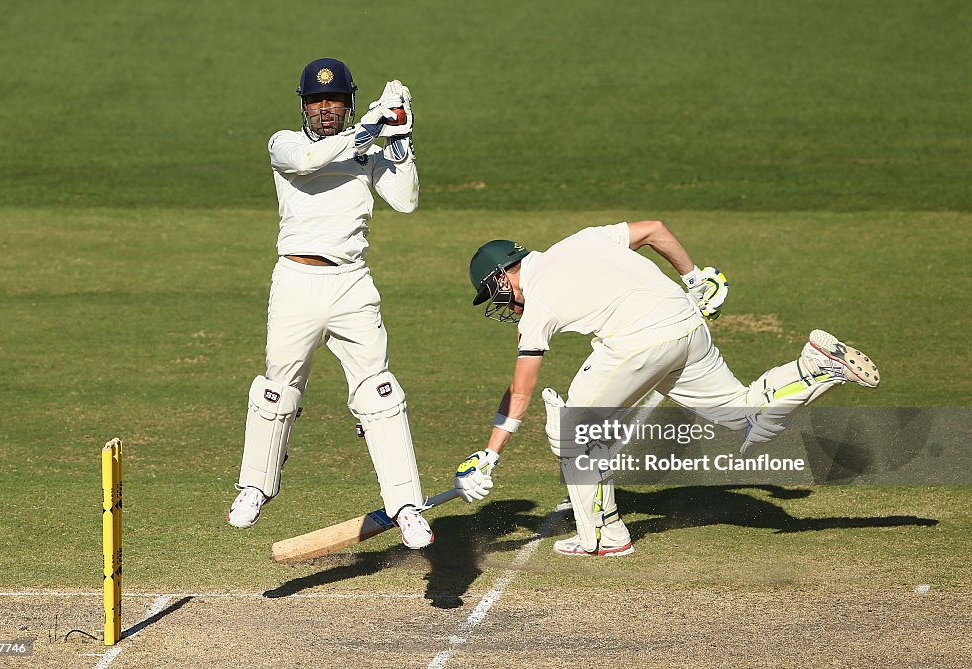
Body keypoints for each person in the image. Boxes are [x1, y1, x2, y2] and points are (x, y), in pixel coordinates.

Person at [452, 220, 879, 556]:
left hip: (640, 342)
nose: (501, 304)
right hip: (687, 321)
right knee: (743, 413)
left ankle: (603, 536)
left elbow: (521, 391)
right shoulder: (584, 239)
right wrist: (694, 278)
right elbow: (655, 228)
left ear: (503, 276)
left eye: (494, 293)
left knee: (570, 433)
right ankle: (813, 369)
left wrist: (489, 454)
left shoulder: (537, 303)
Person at [227, 57, 433, 550]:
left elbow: (405, 201)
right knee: (278, 389)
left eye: (335, 100)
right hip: (297, 280)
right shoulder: (286, 143)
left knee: (379, 393)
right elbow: (309, 163)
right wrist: (369, 128)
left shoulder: (365, 152)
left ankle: (406, 506)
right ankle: (255, 487)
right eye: (317, 100)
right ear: (303, 105)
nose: (325, 108)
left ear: (347, 104)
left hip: (351, 284)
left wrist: (401, 137)